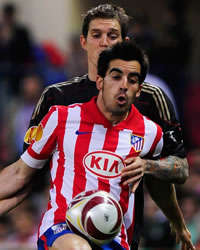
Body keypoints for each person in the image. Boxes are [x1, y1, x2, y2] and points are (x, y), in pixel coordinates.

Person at [0, 4, 191, 249]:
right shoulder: (57, 102)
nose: (104, 43)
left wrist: (177, 221)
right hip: (63, 226)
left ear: (124, 42)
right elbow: (26, 172)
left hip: (119, 232)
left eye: (112, 36)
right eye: (96, 35)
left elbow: (172, 171)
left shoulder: (151, 103)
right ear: (83, 41)